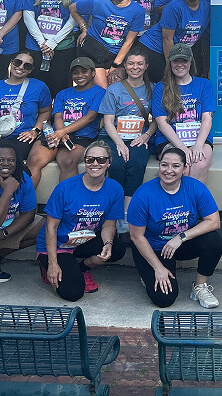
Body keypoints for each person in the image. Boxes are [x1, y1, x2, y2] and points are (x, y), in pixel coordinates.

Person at [128, 145, 222, 308]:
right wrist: (158, 268)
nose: (168, 170)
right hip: (153, 248)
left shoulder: (195, 187)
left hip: (179, 244)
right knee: (164, 300)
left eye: (176, 166)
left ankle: (199, 286)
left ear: (185, 169)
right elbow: (136, 236)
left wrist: (181, 237)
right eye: (164, 165)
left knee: (213, 240)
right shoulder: (143, 194)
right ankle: (148, 275)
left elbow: (214, 221)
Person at [35, 140, 126, 300]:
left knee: (117, 249)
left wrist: (107, 245)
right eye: (90, 159)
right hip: (58, 244)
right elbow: (51, 227)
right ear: (85, 161)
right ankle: (46, 265)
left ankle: (81, 268)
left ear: (109, 163)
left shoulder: (115, 188)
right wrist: (52, 264)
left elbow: (109, 224)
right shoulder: (65, 188)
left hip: (83, 240)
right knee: (73, 293)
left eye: (101, 160)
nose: (95, 164)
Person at [26, 57, 105, 188]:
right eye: (75, 72)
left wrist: (62, 132)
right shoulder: (63, 93)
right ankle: (25, 205)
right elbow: (57, 116)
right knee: (34, 160)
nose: (79, 75)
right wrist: (60, 134)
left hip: (82, 137)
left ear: (93, 73)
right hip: (57, 134)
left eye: (84, 71)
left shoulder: (100, 92)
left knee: (68, 161)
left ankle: (67, 205)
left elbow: (90, 117)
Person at [100, 47, 155, 233]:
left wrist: (146, 135)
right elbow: (108, 121)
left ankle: (126, 214)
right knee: (115, 165)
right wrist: (119, 143)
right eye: (131, 63)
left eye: (140, 63)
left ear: (146, 66)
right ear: (125, 66)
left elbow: (158, 120)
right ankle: (114, 213)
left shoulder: (153, 89)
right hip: (115, 137)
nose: (135, 67)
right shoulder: (114, 90)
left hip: (140, 138)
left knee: (136, 164)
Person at [151, 43, 215, 183]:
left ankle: (193, 202)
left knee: (200, 163)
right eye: (176, 61)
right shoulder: (161, 87)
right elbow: (162, 123)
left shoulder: (204, 84)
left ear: (190, 62)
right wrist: (181, 147)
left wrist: (198, 145)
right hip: (169, 140)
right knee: (181, 167)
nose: (180, 65)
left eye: (184, 61)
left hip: (199, 138)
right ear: (170, 62)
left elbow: (207, 118)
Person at [71, 0, 146, 89]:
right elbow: (73, 8)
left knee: (115, 89)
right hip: (94, 51)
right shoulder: (99, 2)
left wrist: (115, 66)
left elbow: (129, 41)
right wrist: (84, 28)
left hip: (117, 55)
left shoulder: (138, 11)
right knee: (104, 90)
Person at [22, 0, 78, 97]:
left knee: (59, 86)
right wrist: (43, 43)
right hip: (36, 46)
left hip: (62, 47)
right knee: (36, 86)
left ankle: (56, 119)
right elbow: (28, 17)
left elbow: (74, 19)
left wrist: (53, 42)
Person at [139, 0, 209, 83]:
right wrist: (170, 66)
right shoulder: (173, 7)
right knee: (165, 82)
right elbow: (167, 39)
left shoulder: (207, 7)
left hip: (181, 51)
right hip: (154, 48)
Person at [0, 138, 41, 282]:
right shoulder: (10, 185)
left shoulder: (22, 177)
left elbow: (29, 214)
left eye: (11, 160)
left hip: (4, 229)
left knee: (45, 227)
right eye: (1, 160)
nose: (6, 164)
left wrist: (5, 233)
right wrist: (7, 191)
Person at [0, 52, 52, 163]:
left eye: (27, 66)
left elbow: (46, 111)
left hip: (22, 137)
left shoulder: (39, 86)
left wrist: (35, 131)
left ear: (30, 70)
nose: (21, 67)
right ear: (11, 63)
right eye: (18, 62)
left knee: (10, 159)